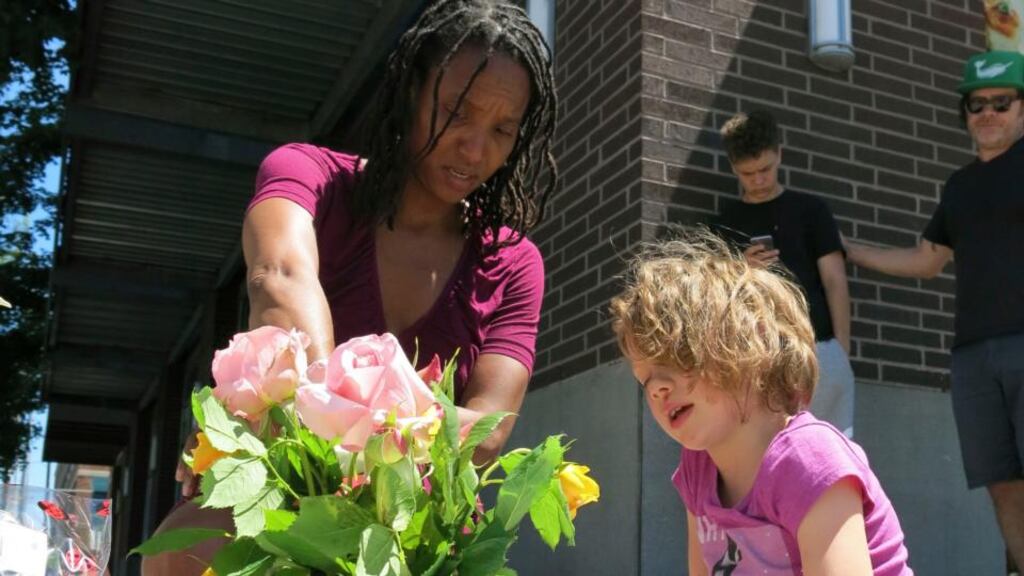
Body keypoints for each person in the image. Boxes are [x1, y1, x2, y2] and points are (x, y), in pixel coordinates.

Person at [142, 0, 558, 572]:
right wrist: (284, 436)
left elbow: (489, 428)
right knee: (179, 552)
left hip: (416, 526)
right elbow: (282, 281)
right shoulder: (307, 175)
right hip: (289, 489)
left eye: (502, 129)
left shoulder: (513, 262)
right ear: (411, 91)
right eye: (457, 112)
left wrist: (340, 423)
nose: (476, 149)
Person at [609, 231, 912, 575]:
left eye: (679, 359)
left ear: (748, 350)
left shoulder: (808, 460)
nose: (656, 388)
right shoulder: (698, 468)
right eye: (644, 378)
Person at [844, 50, 1024, 570]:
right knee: (1003, 486)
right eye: (976, 104)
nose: (987, 113)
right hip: (972, 357)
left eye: (1001, 102)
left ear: (1021, 108)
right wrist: (849, 249)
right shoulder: (959, 186)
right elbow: (926, 260)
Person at [712, 110, 856, 438]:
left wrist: (840, 349)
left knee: (828, 457)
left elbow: (835, 281)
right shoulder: (722, 225)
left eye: (766, 169)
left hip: (818, 349)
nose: (759, 180)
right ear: (734, 167)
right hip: (753, 359)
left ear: (780, 154)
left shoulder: (811, 211)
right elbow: (712, 298)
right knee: (763, 460)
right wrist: (740, 270)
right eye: (749, 174)